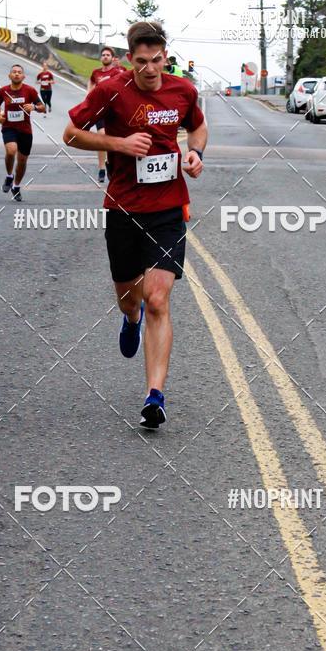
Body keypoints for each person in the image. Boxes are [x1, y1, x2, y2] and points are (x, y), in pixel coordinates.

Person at [63, 21, 207, 429]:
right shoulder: (110, 91)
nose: (149, 69)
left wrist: (195, 153)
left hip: (168, 208)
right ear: (130, 58)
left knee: (158, 298)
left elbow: (197, 126)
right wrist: (118, 144)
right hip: (124, 208)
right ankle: (130, 319)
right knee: (131, 299)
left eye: (156, 60)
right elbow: (70, 134)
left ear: (166, 57)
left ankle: (154, 396)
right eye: (141, 61)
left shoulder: (183, 90)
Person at [0, 64, 44, 202]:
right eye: (14, 72)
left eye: (19, 72)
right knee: (11, 151)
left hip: (25, 130)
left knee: (22, 161)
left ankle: (16, 186)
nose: (16, 74)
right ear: (9, 75)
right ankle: (9, 176)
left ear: (23, 76)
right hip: (9, 127)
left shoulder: (30, 90)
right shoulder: (3, 91)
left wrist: (34, 107)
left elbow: (42, 107)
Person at [88, 46, 125, 183]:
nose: (105, 56)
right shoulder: (96, 72)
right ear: (100, 57)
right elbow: (91, 84)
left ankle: (114, 165)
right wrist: (90, 96)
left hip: (114, 110)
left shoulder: (117, 72)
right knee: (101, 136)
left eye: (108, 55)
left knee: (115, 138)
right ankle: (102, 168)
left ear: (112, 58)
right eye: (103, 55)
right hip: (100, 110)